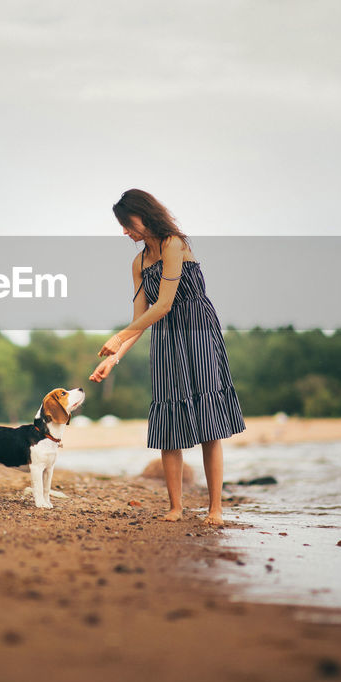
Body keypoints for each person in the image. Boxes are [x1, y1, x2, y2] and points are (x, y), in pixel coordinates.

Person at [90, 189, 246, 525]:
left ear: (143, 215)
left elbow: (165, 304)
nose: (124, 232)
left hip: (198, 332)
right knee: (168, 418)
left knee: (208, 421)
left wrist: (118, 336)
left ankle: (215, 509)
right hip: (164, 339)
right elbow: (140, 319)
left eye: (126, 223)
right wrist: (113, 357)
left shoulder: (175, 244)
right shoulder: (138, 263)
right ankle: (175, 507)